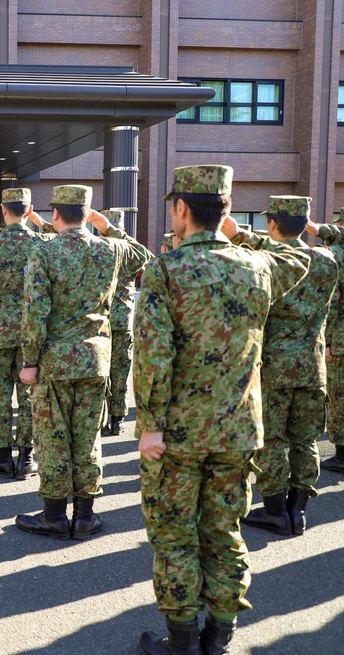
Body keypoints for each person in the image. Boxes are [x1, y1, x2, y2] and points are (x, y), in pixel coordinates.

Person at [134, 166, 308, 655]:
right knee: (225, 530)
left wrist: (150, 425)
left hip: (179, 432)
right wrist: (239, 233)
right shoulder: (259, 266)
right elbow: (301, 257)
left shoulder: (165, 269)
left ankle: (183, 638)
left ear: (180, 209)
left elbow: (152, 355)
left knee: (174, 533)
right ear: (227, 209)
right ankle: (220, 635)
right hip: (238, 430)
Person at [16, 185, 151, 541]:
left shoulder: (44, 251)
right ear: (88, 214)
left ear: (56, 214)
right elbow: (144, 255)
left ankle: (55, 516)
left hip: (55, 360)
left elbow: (35, 312)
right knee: (88, 437)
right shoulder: (110, 249)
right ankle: (86, 515)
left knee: (53, 436)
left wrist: (30, 359)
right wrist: (108, 227)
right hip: (94, 360)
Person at [239, 196, 337, 538]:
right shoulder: (328, 259)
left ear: (272, 224)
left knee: (273, 439)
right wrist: (322, 230)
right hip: (312, 363)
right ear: (306, 222)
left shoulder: (266, 261)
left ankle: (275, 510)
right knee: (306, 439)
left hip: (275, 365)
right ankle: (298, 510)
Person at [0, 189, 54, 478]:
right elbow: (61, 232)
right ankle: (27, 458)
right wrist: (38, 220)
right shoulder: (40, 243)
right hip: (32, 331)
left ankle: (2, 457)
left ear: (3, 210)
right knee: (29, 395)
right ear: (29, 209)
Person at [102, 208, 141, 437]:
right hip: (122, 320)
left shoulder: (99, 248)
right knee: (120, 371)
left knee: (100, 372)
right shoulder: (129, 250)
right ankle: (117, 419)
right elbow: (145, 256)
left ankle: (100, 417)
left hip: (102, 321)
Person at [315, 207, 344, 476]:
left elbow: (332, 305)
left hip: (340, 340)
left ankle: (341, 456)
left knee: (338, 398)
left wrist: (329, 344)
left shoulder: (337, 257)